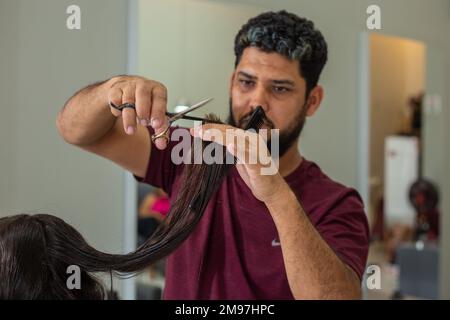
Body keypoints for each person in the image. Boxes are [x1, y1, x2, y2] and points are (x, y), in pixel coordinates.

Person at [57, 10, 369, 299]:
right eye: (247, 82)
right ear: (233, 83)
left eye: (280, 89)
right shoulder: (191, 155)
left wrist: (277, 196)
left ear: (312, 101)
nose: (257, 102)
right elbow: (75, 130)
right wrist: (112, 89)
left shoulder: (335, 204)